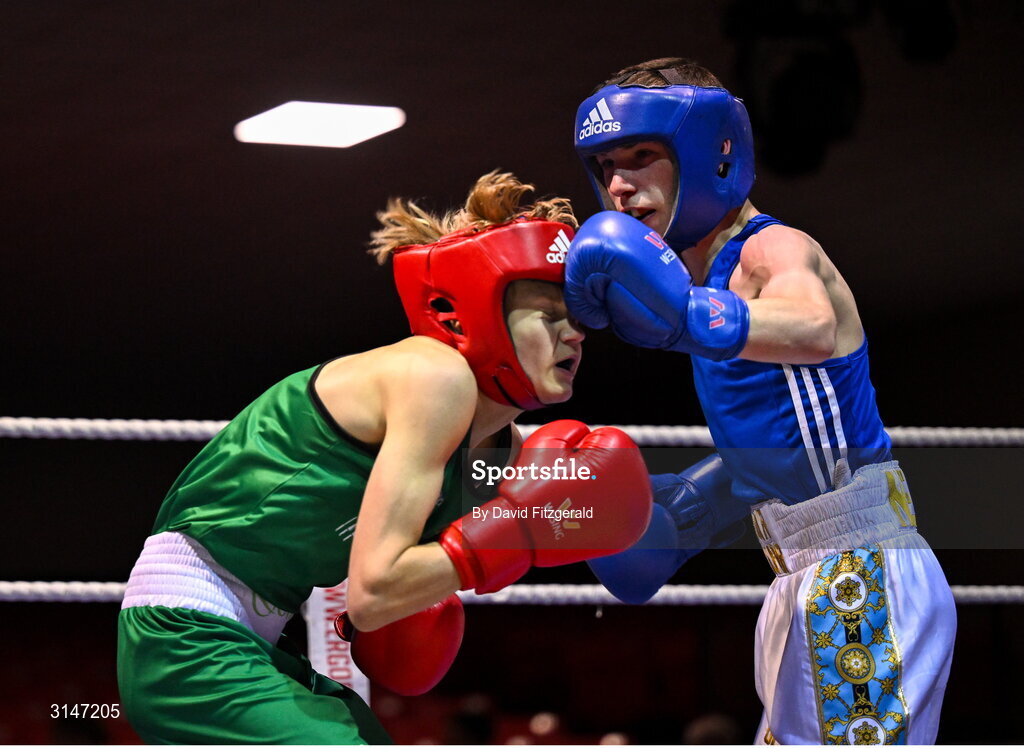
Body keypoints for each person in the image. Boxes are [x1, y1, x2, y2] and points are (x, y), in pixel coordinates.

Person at [116, 171, 653, 744]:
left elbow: (623, 546)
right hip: (185, 630)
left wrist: (656, 514)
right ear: (465, 314)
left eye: (577, 316)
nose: (575, 334)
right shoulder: (433, 376)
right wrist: (518, 528)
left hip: (259, 640)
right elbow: (372, 596)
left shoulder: (501, 451)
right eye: (549, 314)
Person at [565, 58, 956, 744]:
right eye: (604, 166)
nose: (620, 185)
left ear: (708, 153)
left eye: (641, 157)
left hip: (856, 570)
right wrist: (683, 513)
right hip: (801, 574)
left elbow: (813, 327)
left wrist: (687, 316)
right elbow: (781, 435)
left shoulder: (770, 249)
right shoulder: (705, 274)